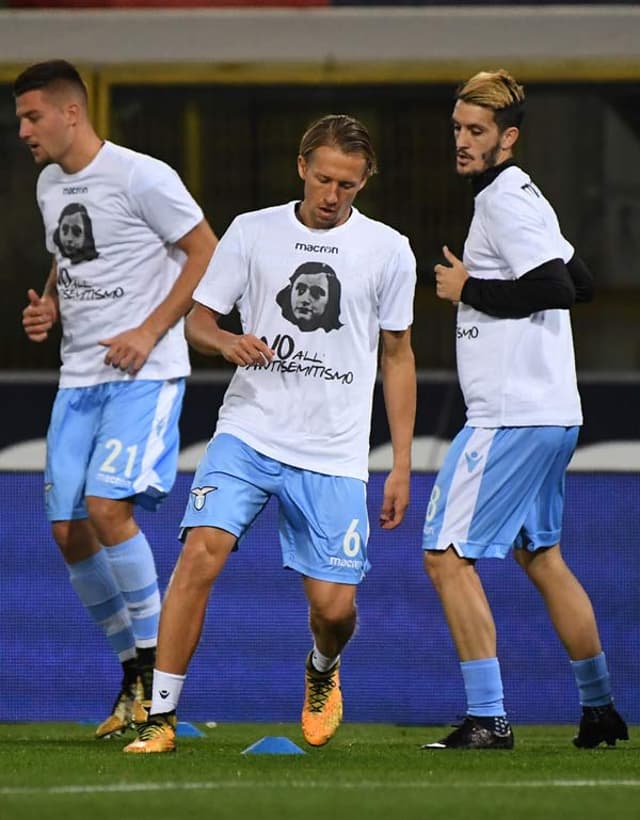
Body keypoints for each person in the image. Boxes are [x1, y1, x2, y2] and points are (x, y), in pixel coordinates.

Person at [123, 113, 417, 753]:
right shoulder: (252, 232)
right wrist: (227, 340)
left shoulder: (390, 250)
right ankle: (160, 719)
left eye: (347, 185)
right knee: (200, 552)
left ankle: (322, 670)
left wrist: (399, 463)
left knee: (335, 609)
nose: (332, 195)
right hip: (249, 430)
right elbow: (200, 321)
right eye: (322, 179)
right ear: (301, 166)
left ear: (364, 183)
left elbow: (398, 355)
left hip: (335, 452)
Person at [420, 69, 628, 750]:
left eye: (476, 130)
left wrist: (468, 288)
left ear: (508, 137)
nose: (462, 140)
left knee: (447, 556)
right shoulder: (524, 195)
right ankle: (598, 710)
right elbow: (585, 280)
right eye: (458, 127)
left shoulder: (505, 202)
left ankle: (488, 717)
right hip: (552, 413)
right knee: (544, 557)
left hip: (511, 414)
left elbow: (558, 288)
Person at [14, 60, 217, 739]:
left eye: (32, 116)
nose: (23, 130)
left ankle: (160, 680)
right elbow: (70, 258)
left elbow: (205, 250)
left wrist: (149, 329)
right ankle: (131, 670)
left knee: (107, 507)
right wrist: (51, 306)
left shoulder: (142, 175)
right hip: (79, 376)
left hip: (145, 371)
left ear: (72, 113)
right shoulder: (49, 185)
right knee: (68, 530)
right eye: (20, 118)